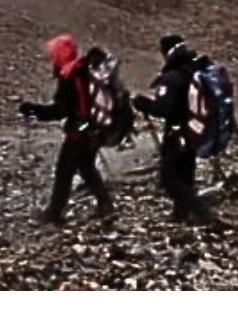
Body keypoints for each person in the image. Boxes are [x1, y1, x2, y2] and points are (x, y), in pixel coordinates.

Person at [18, 34, 114, 224]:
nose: (52, 58)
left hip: (78, 132)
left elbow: (61, 109)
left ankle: (54, 213)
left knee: (64, 171)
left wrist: (35, 110)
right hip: (94, 130)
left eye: (54, 54)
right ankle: (105, 204)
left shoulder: (70, 74)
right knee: (86, 167)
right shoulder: (86, 70)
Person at [133, 34, 215, 226]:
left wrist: (142, 103)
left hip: (177, 131)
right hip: (195, 129)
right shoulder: (193, 69)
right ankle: (181, 214)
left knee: (168, 178)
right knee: (186, 173)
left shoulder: (172, 77)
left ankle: (202, 212)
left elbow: (162, 108)